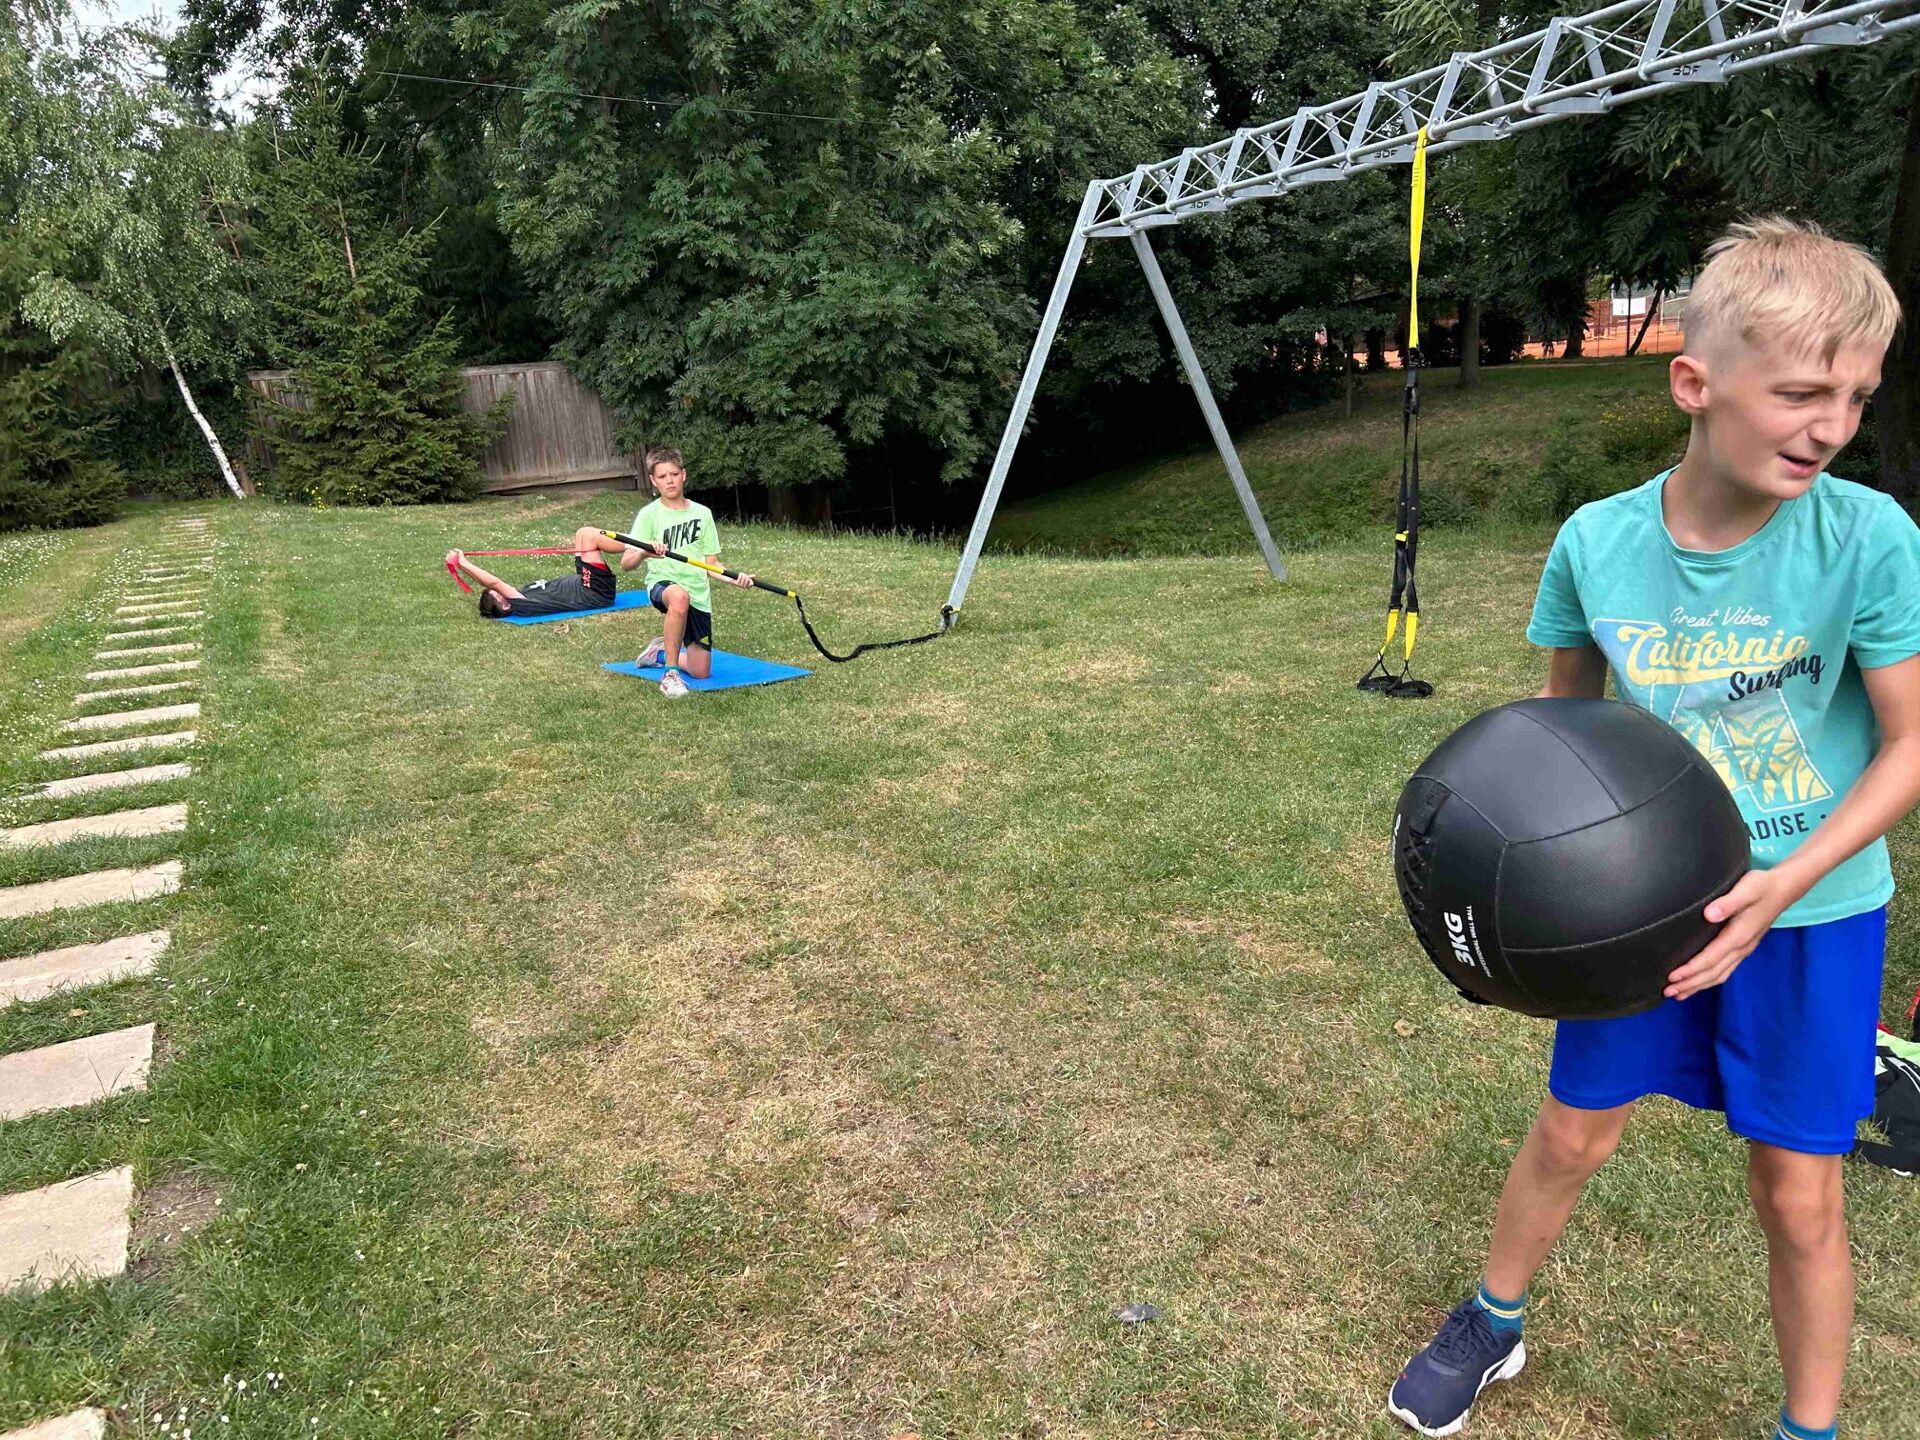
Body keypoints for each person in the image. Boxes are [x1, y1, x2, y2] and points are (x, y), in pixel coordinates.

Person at [1388, 217, 1920, 1439]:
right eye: (1800, 393)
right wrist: (1511, 908)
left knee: (1798, 1195)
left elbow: (1909, 746)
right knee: (1573, 1131)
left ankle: (1810, 1428)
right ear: (1694, 382)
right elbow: (1552, 741)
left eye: (1855, 397)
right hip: (1642, 907)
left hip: (1813, 911)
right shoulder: (1597, 544)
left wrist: (1786, 882)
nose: (1831, 426)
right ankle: (1493, 1321)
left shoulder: (1870, 539)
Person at [628, 447, 753, 698]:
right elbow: (627, 562)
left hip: (698, 593)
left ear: (683, 475)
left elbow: (712, 565)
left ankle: (658, 654)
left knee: (700, 671)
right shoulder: (649, 515)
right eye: (662, 476)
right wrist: (644, 551)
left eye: (674, 474)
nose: (669, 481)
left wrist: (735, 579)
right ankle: (670, 675)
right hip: (663, 584)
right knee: (679, 596)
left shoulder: (702, 514)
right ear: (653, 481)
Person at [446, 526, 642, 618]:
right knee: (591, 538)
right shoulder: (522, 605)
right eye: (499, 594)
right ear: (505, 605)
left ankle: (638, 542)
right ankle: (641, 544)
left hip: (584, 583)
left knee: (582, 533)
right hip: (594, 592)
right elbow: (492, 582)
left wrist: (462, 565)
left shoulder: (522, 593)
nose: (501, 589)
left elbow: (492, 586)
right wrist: (464, 563)